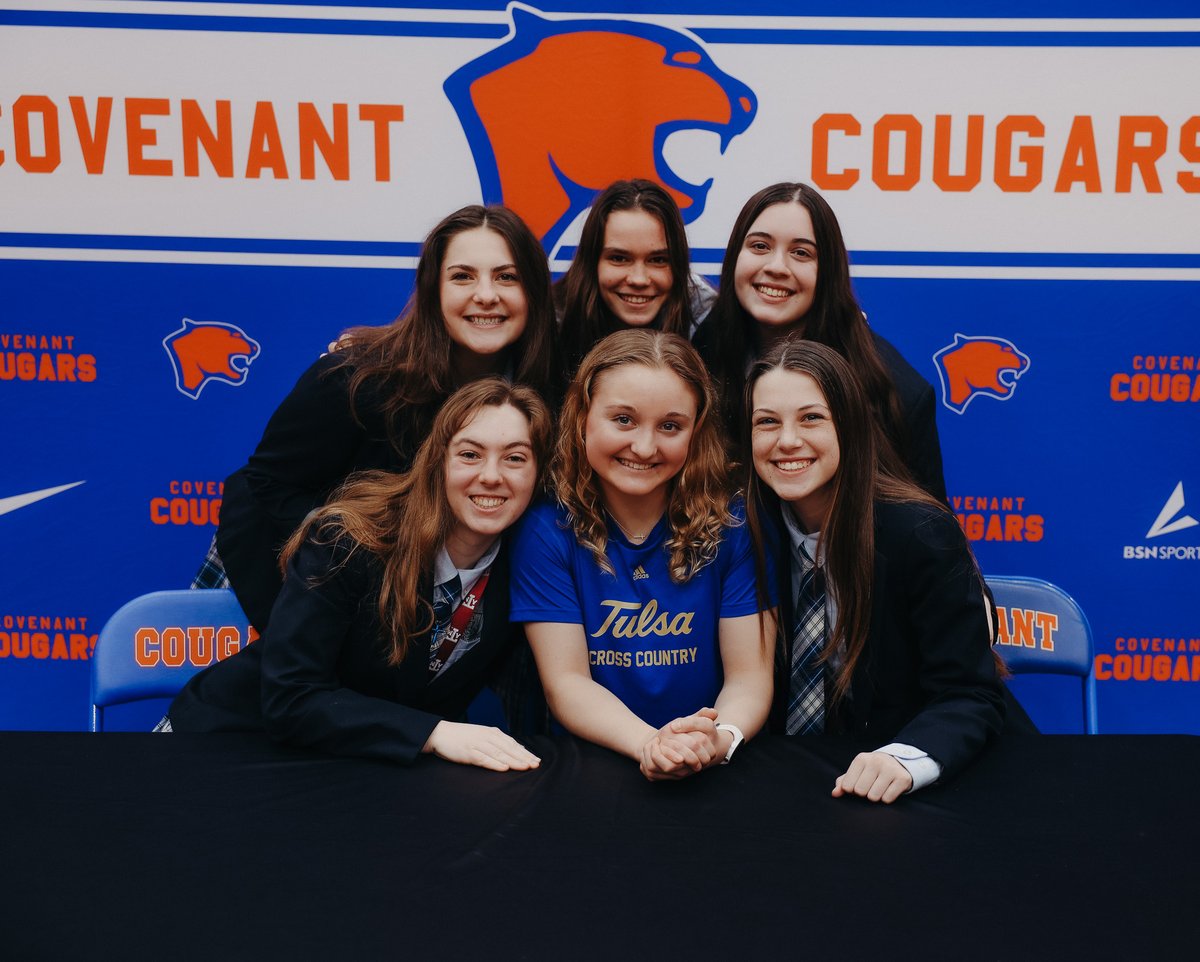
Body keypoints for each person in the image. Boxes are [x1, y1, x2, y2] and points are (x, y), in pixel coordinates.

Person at [203, 205, 559, 631]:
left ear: (534, 292)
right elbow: (267, 485)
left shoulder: (544, 393)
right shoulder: (355, 378)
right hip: (275, 573)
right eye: (463, 276)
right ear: (433, 289)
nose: (486, 294)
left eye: (507, 276)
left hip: (420, 604)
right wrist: (363, 557)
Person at [166, 379, 552, 770]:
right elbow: (290, 697)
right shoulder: (351, 539)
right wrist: (434, 733)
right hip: (227, 742)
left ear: (538, 473)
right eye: (470, 454)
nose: (491, 475)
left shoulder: (528, 567)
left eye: (515, 458)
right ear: (437, 463)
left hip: (355, 766)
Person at [744, 338, 1005, 803]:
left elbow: (969, 693)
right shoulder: (741, 532)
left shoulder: (918, 533)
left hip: (897, 785)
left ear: (849, 425)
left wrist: (905, 758)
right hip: (784, 784)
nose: (787, 441)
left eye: (811, 418)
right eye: (767, 422)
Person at [510, 329, 775, 781]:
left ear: (697, 430)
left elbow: (749, 675)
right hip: (589, 768)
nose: (645, 447)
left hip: (709, 764)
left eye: (670, 426)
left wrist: (720, 738)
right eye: (624, 420)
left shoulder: (735, 522)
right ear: (582, 418)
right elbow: (567, 683)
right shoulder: (545, 529)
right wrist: (650, 745)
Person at [693, 182, 946, 499]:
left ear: (828, 272)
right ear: (734, 257)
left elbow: (929, 532)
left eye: (801, 253)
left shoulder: (893, 389)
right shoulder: (703, 348)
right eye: (759, 246)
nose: (775, 267)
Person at [554, 179, 714, 372]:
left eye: (658, 260)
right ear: (591, 262)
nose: (639, 279)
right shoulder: (554, 321)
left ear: (679, 265)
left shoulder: (705, 318)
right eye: (619, 258)